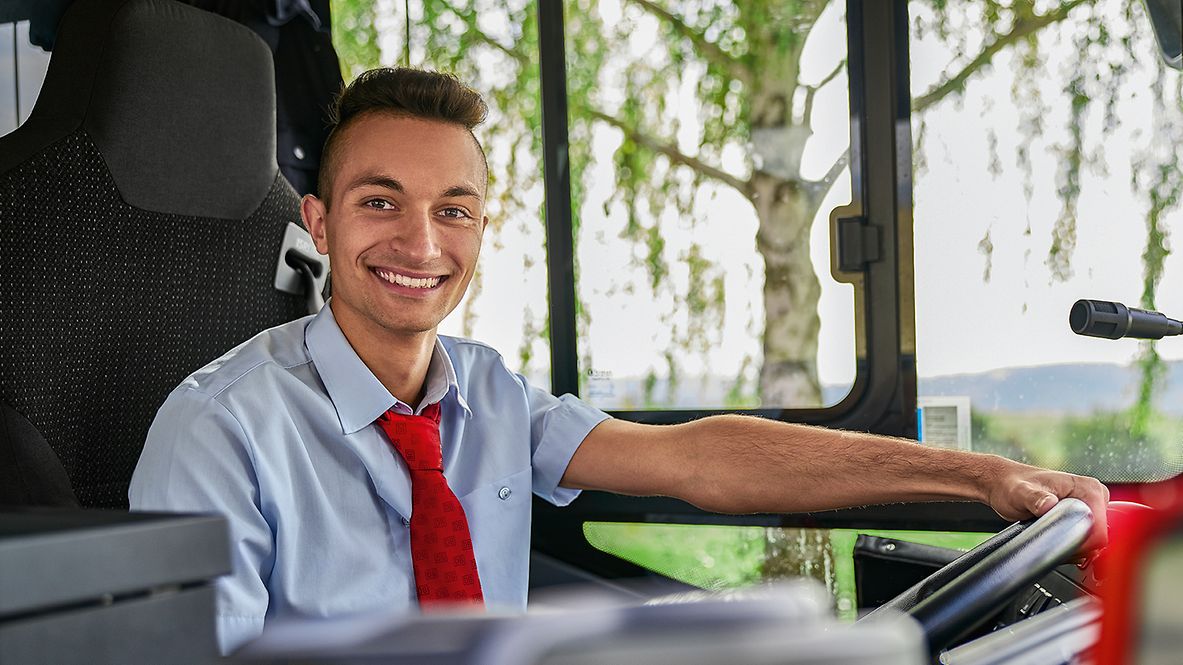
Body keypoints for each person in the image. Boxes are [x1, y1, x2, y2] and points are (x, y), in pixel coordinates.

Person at [129, 67, 1110, 655]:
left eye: (453, 209)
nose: (420, 242)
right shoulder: (221, 430)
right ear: (320, 223)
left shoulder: (489, 395)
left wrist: (978, 474)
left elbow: (703, 458)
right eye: (380, 202)